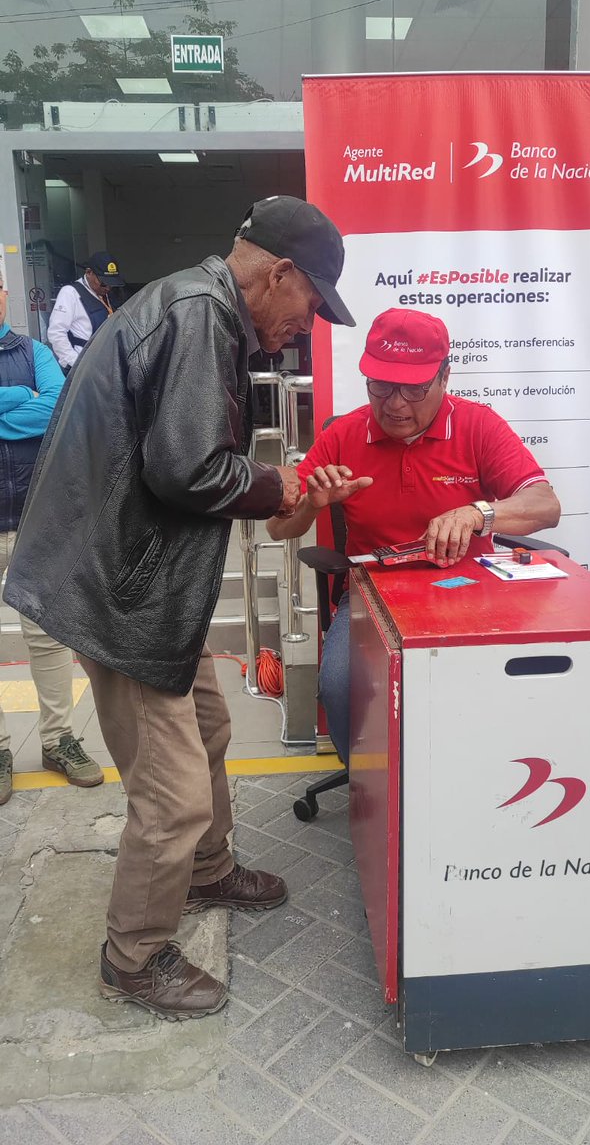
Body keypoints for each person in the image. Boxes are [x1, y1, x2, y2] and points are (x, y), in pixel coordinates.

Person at [4, 194, 354, 1020]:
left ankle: (206, 871)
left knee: (210, 729)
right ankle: (133, 957)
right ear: (280, 273)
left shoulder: (198, 306)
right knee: (172, 797)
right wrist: (279, 483)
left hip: (149, 579)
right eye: (311, 303)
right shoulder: (201, 313)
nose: (306, 326)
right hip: (121, 589)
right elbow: (187, 469)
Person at [267, 307, 561, 765]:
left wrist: (478, 513)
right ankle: (370, 788)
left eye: (414, 388)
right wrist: (311, 504)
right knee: (341, 684)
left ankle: (476, 772)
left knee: (501, 679)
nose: (396, 404)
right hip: (373, 596)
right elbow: (278, 526)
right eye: (381, 386)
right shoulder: (344, 435)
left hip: (469, 591)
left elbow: (546, 506)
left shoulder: (478, 425)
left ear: (445, 377)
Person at [0, 272, 102, 806]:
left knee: (47, 635)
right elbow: (35, 406)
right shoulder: (30, 368)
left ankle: (58, 740)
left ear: (4, 294)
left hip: (33, 517)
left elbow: (55, 407)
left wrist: (20, 401)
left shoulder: (35, 352)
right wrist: (22, 397)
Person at [47, 251, 125, 373]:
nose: (108, 287)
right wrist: (75, 364)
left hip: (107, 365)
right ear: (89, 273)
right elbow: (56, 333)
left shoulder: (107, 294)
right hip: (84, 366)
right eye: (103, 282)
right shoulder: (70, 293)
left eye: (111, 283)